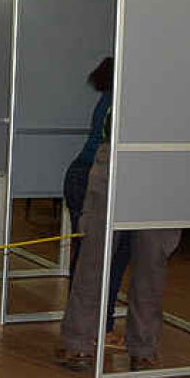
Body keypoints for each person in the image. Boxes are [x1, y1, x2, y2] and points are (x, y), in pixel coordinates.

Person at [58, 58, 180, 372]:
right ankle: (86, 341)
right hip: (107, 171)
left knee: (139, 265)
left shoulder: (156, 88)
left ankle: (130, 345)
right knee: (99, 264)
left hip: (144, 172)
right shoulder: (126, 94)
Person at [61, 57, 130, 348]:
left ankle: (81, 327)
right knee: (108, 260)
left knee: (87, 260)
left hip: (81, 176)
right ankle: (100, 329)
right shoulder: (121, 100)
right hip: (95, 179)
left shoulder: (107, 97)